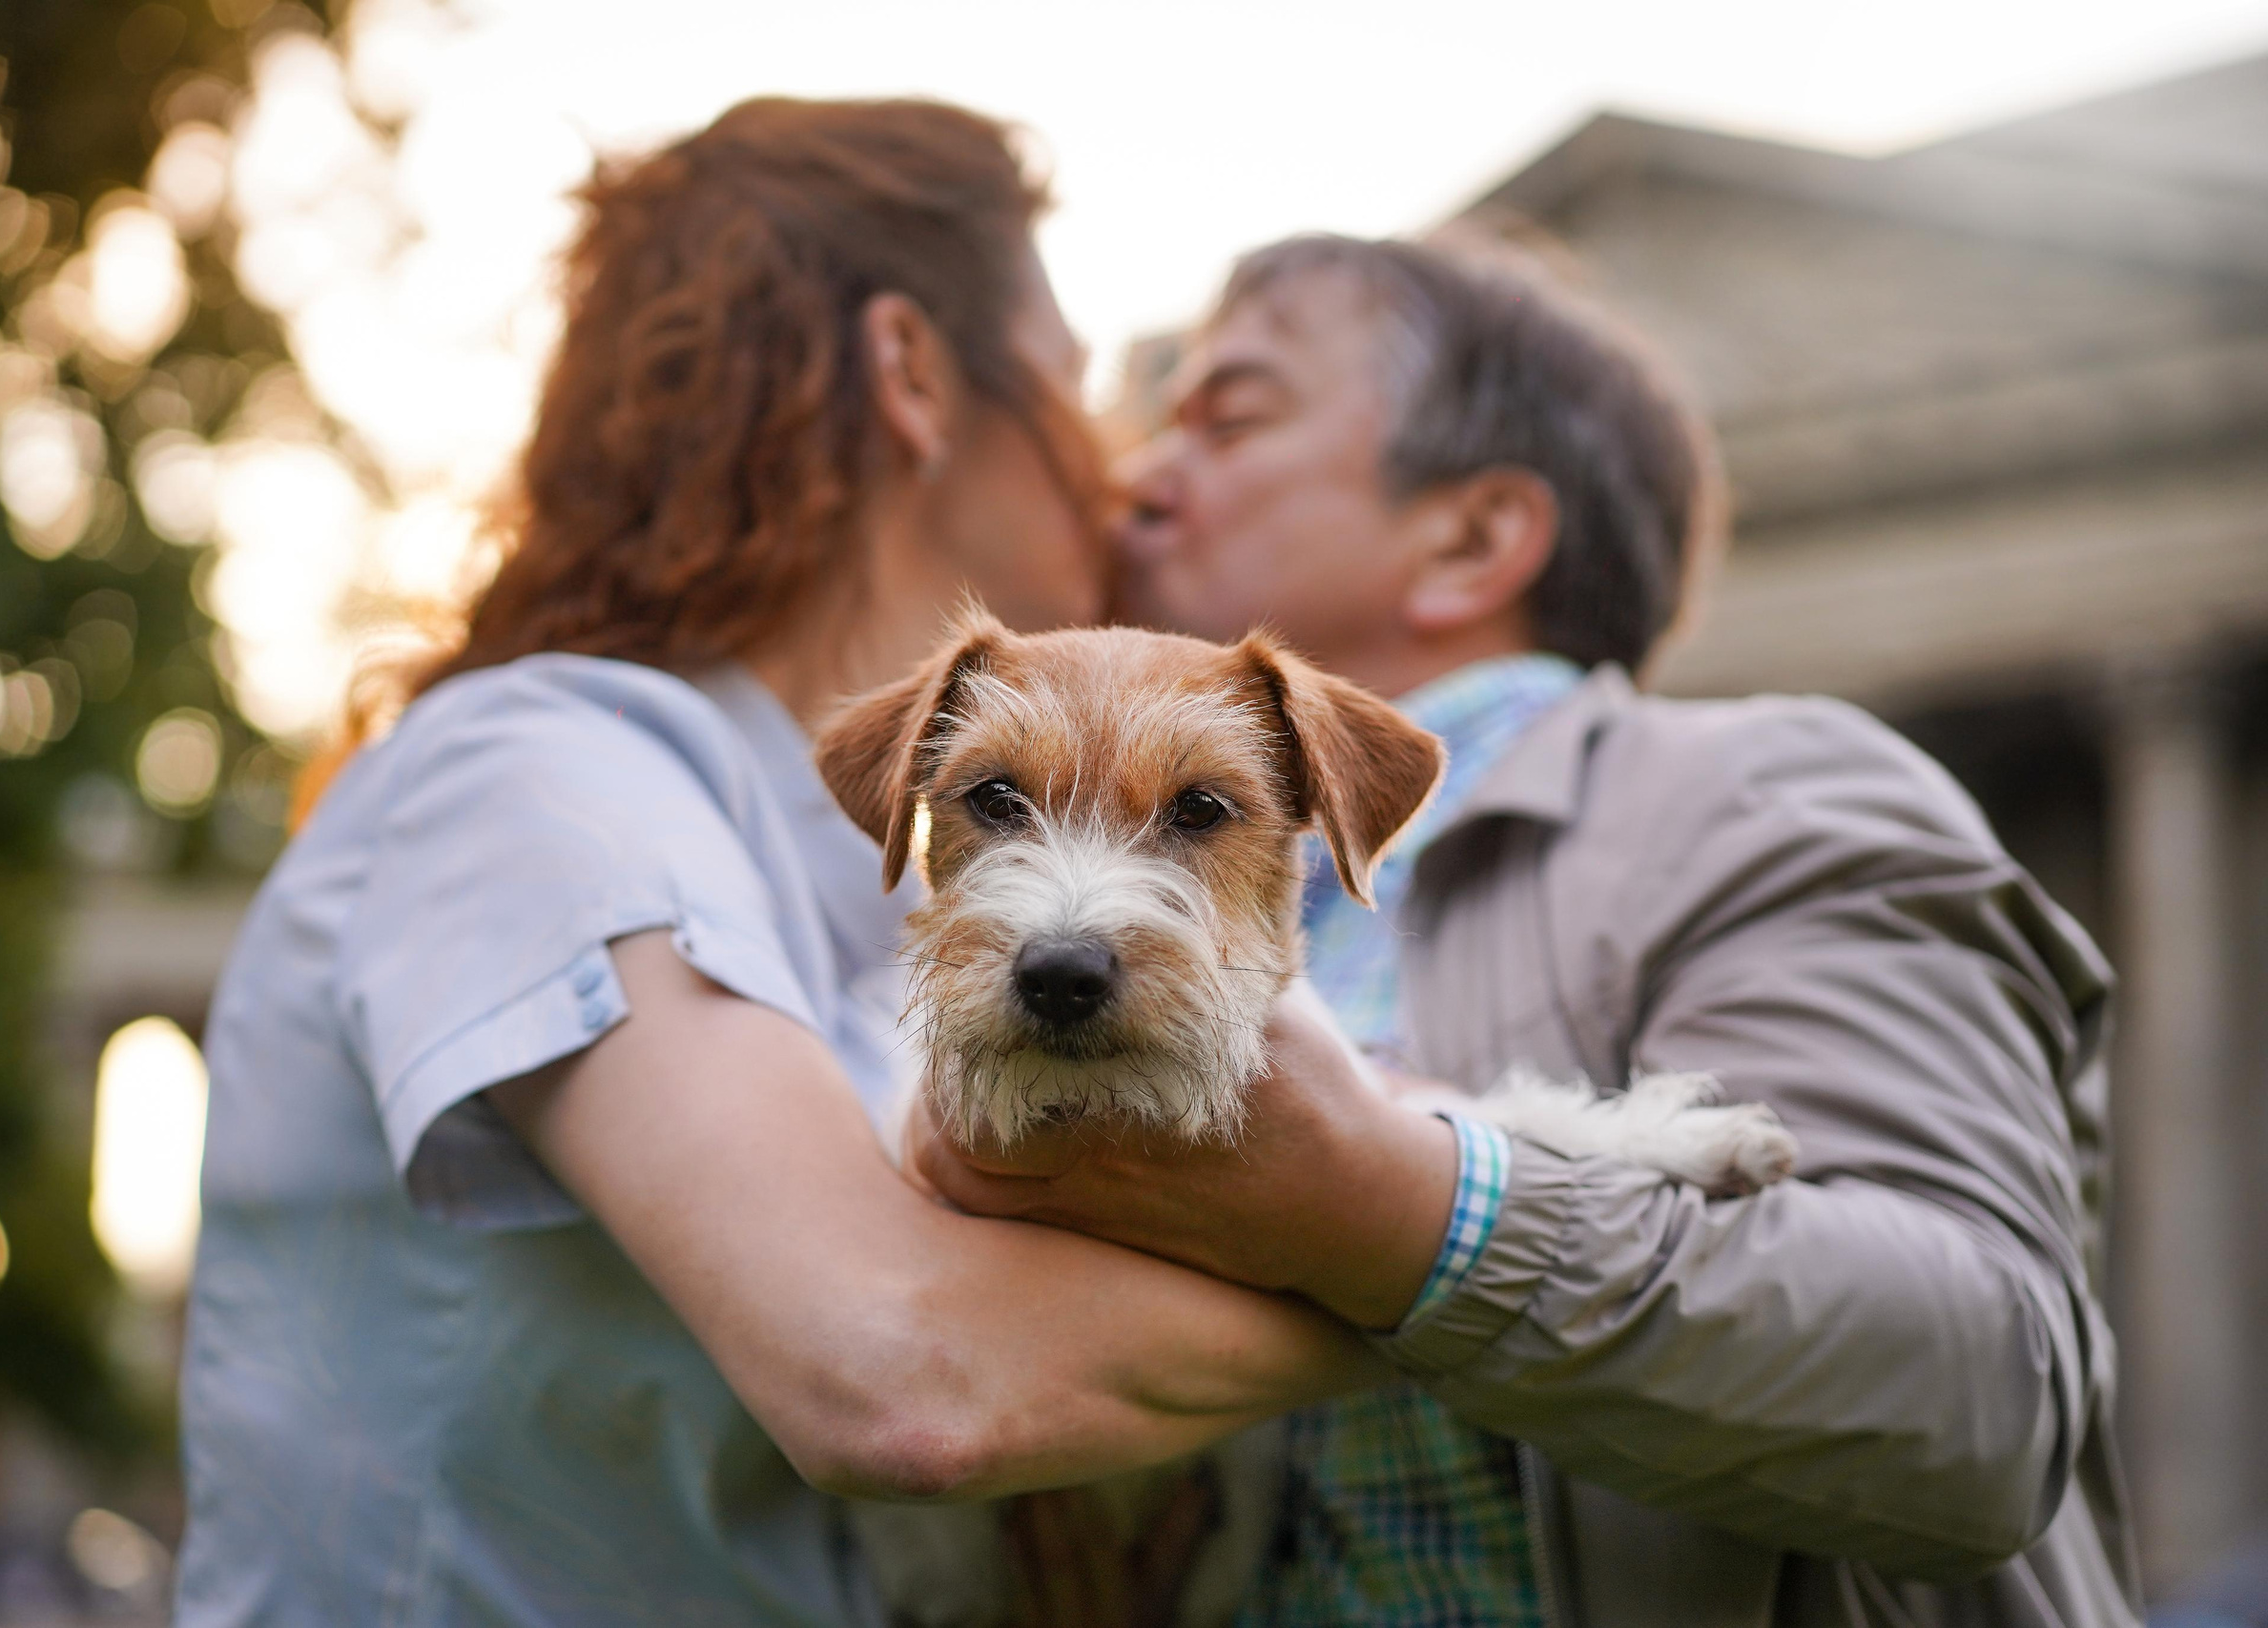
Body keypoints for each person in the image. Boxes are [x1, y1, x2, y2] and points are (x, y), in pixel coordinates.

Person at [172, 103, 1401, 1625]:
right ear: (912, 374)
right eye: (1079, 391)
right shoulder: (536, 780)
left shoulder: (824, 845)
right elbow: (904, 1379)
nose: (1126, 478)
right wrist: (1456, 1283)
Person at [915, 235, 2143, 1628]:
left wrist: (1394, 1210)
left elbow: (1986, 1401)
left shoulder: (1765, 794)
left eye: (1231, 414)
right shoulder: (1020, 920)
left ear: (1474, 539)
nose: (1131, 472)